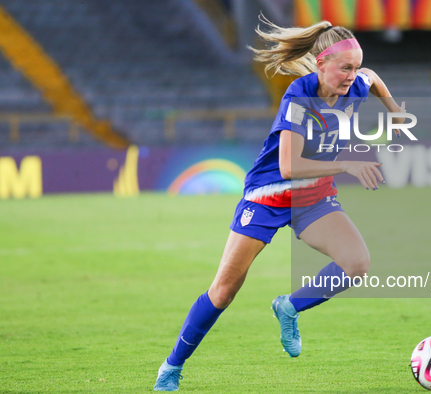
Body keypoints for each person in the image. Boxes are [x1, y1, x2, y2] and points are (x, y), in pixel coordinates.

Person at [154, 17, 406, 391]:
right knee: (224, 290)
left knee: (357, 263)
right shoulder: (299, 95)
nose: (352, 75)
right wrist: (348, 163)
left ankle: (289, 306)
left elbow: (373, 77)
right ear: (321, 64)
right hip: (269, 194)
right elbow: (289, 166)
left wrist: (393, 110)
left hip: (313, 194)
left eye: (354, 67)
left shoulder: (356, 83)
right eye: (344, 68)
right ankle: (172, 367)